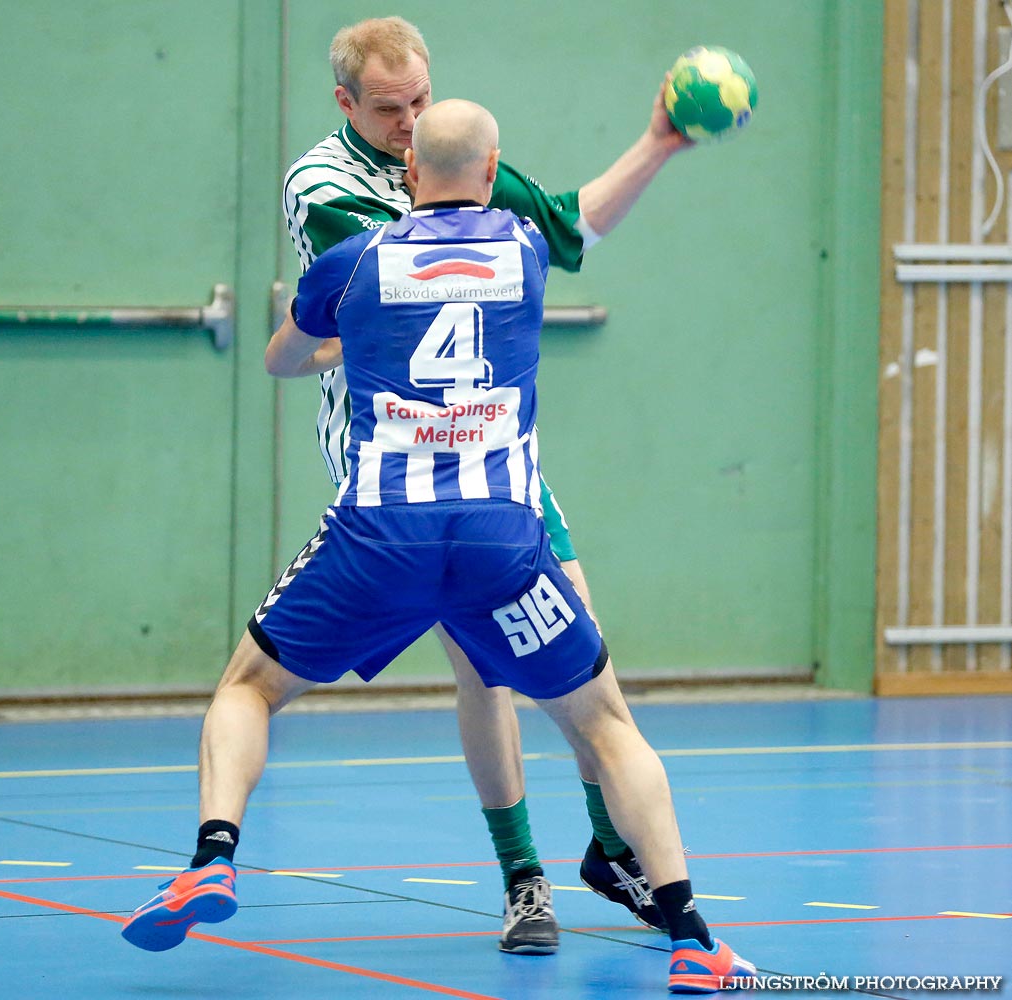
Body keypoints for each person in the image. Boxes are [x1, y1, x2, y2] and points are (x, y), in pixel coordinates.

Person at [122, 99, 754, 994]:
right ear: (494, 172)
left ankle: (212, 856)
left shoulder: (352, 262)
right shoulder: (528, 251)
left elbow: (281, 358)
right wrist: (658, 139)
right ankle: (692, 937)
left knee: (249, 688)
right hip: (500, 539)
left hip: (380, 536)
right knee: (605, 724)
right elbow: (585, 219)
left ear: (409, 172)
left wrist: (336, 345)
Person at [279, 15, 690, 952]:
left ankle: (606, 847)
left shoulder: (457, 150)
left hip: (495, 452)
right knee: (482, 668)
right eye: (389, 108)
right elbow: (394, 299)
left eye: (421, 101)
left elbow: (570, 225)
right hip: (395, 456)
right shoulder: (325, 187)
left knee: (583, 653)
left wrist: (657, 142)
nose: (410, 120)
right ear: (347, 103)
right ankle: (522, 880)